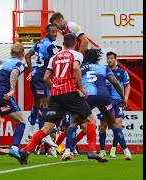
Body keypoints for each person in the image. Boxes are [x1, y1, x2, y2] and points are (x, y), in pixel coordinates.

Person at [19, 33, 107, 165]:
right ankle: (92, 151)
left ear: (64, 43)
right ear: (75, 44)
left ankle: (26, 149)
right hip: (70, 93)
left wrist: (54, 88)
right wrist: (81, 88)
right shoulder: (77, 54)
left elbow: (45, 78)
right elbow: (76, 68)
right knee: (91, 119)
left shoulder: (54, 57)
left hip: (55, 95)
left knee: (47, 127)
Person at [64, 48, 132, 160]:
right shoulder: (103, 68)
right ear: (97, 58)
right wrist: (123, 97)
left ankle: (67, 151)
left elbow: (73, 83)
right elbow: (114, 82)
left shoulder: (81, 68)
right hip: (104, 97)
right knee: (113, 123)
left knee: (75, 122)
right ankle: (127, 151)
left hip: (87, 97)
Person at [50, 12, 88, 145]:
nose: (57, 28)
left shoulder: (72, 26)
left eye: (56, 24)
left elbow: (85, 41)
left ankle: (68, 147)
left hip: (77, 62)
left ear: (61, 20)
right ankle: (66, 148)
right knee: (75, 117)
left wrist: (78, 57)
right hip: (75, 64)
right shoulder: (66, 32)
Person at [25, 24, 59, 147]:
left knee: (36, 103)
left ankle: (31, 130)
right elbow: (57, 61)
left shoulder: (38, 44)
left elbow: (27, 55)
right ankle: (43, 133)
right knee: (46, 104)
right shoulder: (50, 46)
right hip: (41, 77)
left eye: (56, 32)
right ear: (47, 32)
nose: (55, 34)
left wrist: (31, 70)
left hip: (35, 76)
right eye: (52, 32)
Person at [98, 51, 131, 158]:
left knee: (118, 125)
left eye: (111, 58)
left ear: (115, 59)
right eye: (108, 58)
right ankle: (102, 150)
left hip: (117, 103)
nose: (109, 60)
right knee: (103, 126)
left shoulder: (122, 72)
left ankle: (113, 148)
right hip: (106, 102)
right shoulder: (103, 71)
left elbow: (127, 86)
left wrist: (125, 98)